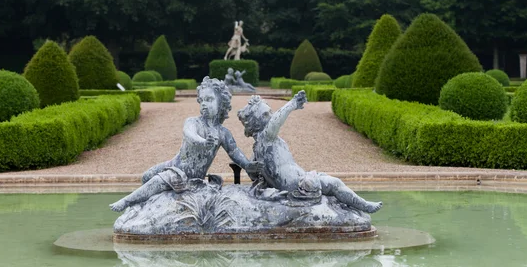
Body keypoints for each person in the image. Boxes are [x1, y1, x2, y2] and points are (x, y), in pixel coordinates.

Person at [109, 77, 262, 212]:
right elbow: (190, 135)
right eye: (201, 100)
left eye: (209, 100)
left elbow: (234, 152)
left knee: (156, 180)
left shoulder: (223, 133)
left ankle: (126, 201)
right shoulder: (192, 121)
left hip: (188, 175)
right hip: (174, 163)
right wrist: (203, 142)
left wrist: (247, 165)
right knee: (146, 176)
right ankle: (154, 201)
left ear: (221, 103)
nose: (204, 104)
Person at [237, 91, 382, 213]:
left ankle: (359, 204)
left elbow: (252, 173)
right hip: (297, 185)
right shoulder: (265, 138)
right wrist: (292, 104)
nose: (271, 115)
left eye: (270, 111)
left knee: (329, 182)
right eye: (265, 114)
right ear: (255, 123)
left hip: (300, 179)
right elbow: (276, 122)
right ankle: (364, 205)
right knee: (334, 183)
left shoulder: (260, 146)